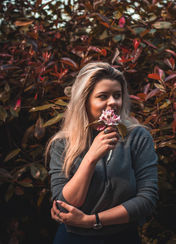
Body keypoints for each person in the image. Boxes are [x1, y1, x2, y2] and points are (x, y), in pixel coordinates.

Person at [45, 62, 158, 244]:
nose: (113, 102)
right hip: (73, 239)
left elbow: (147, 200)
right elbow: (64, 206)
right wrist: (90, 158)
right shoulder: (62, 144)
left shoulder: (137, 137)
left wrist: (92, 221)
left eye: (117, 95)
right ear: (85, 100)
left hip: (123, 237)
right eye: (103, 96)